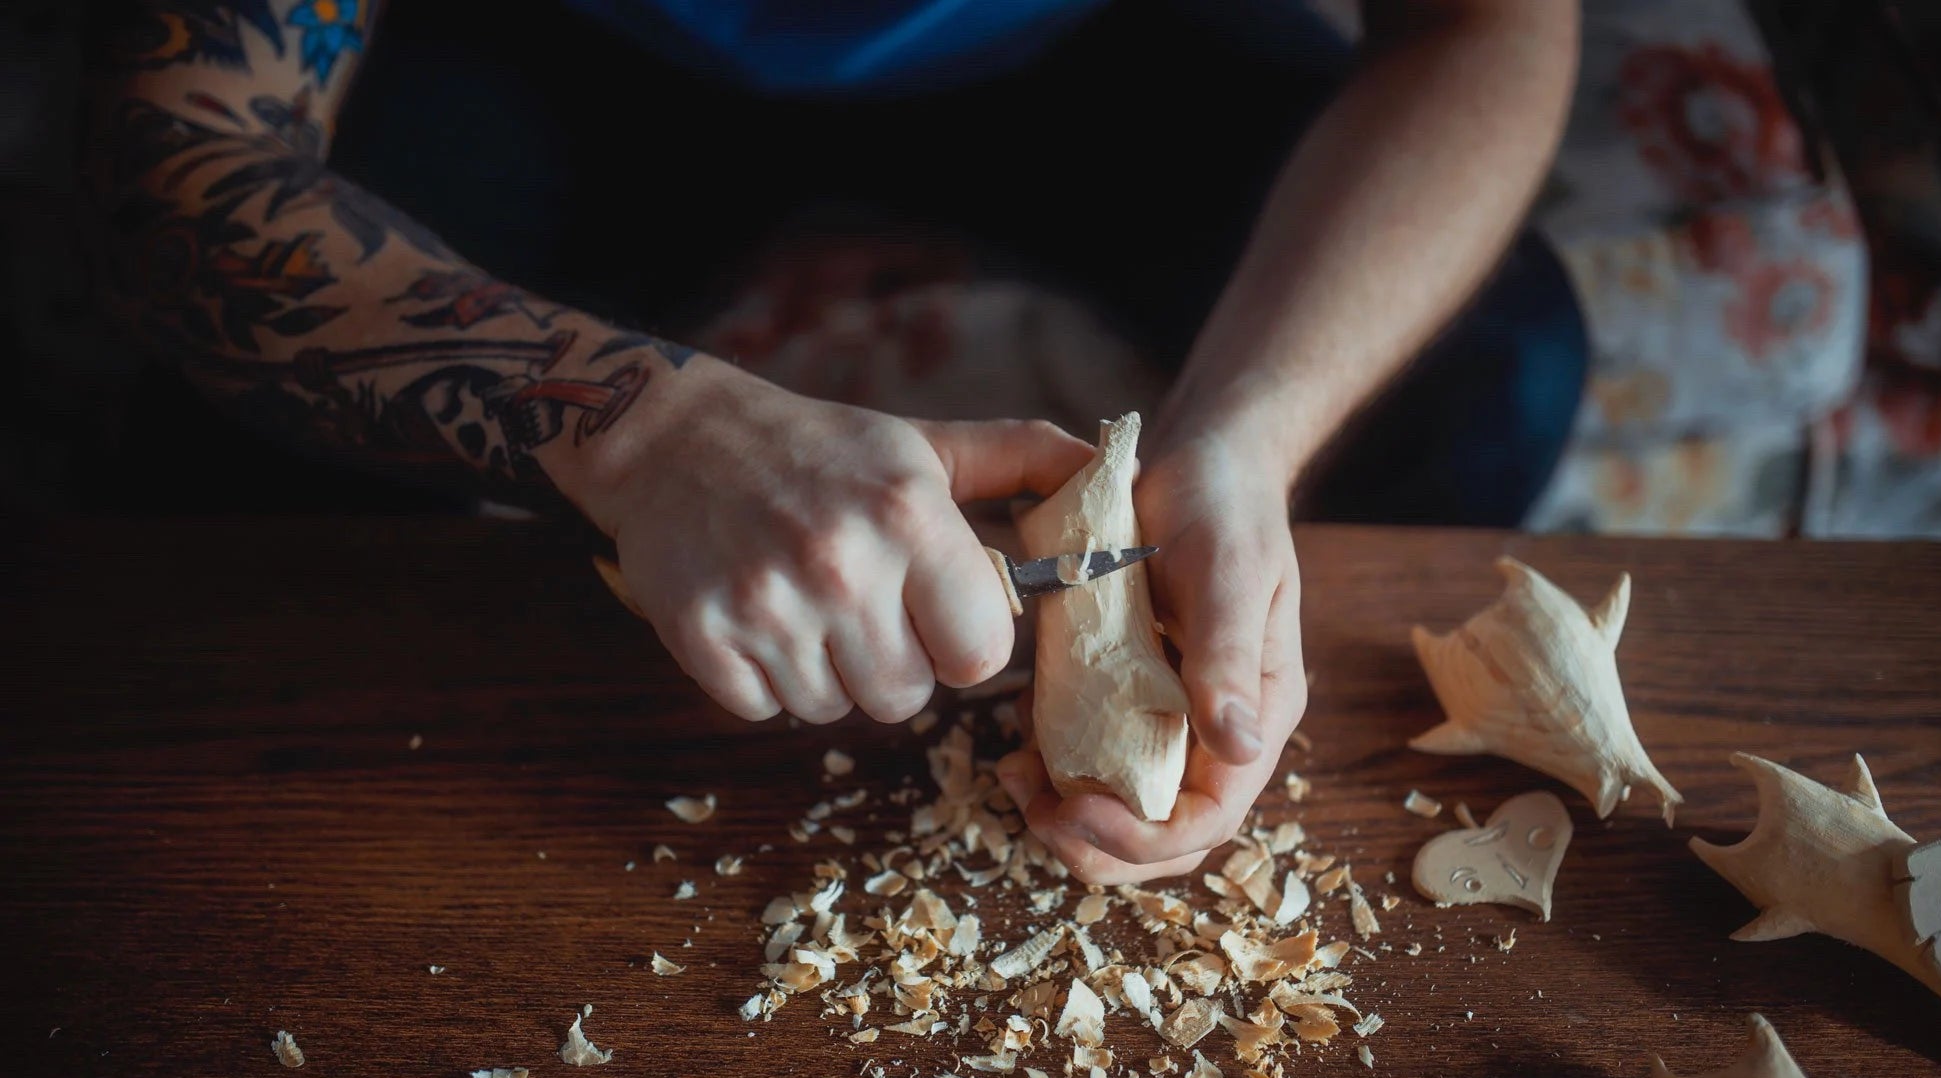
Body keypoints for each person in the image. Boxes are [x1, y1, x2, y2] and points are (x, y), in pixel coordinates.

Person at [80, 0, 1582, 884]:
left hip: (1071, 41)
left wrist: (1251, 433)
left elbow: (1490, 24)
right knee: (219, 462)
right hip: (561, 43)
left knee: (1500, 365)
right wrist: (636, 422)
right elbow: (180, 162)